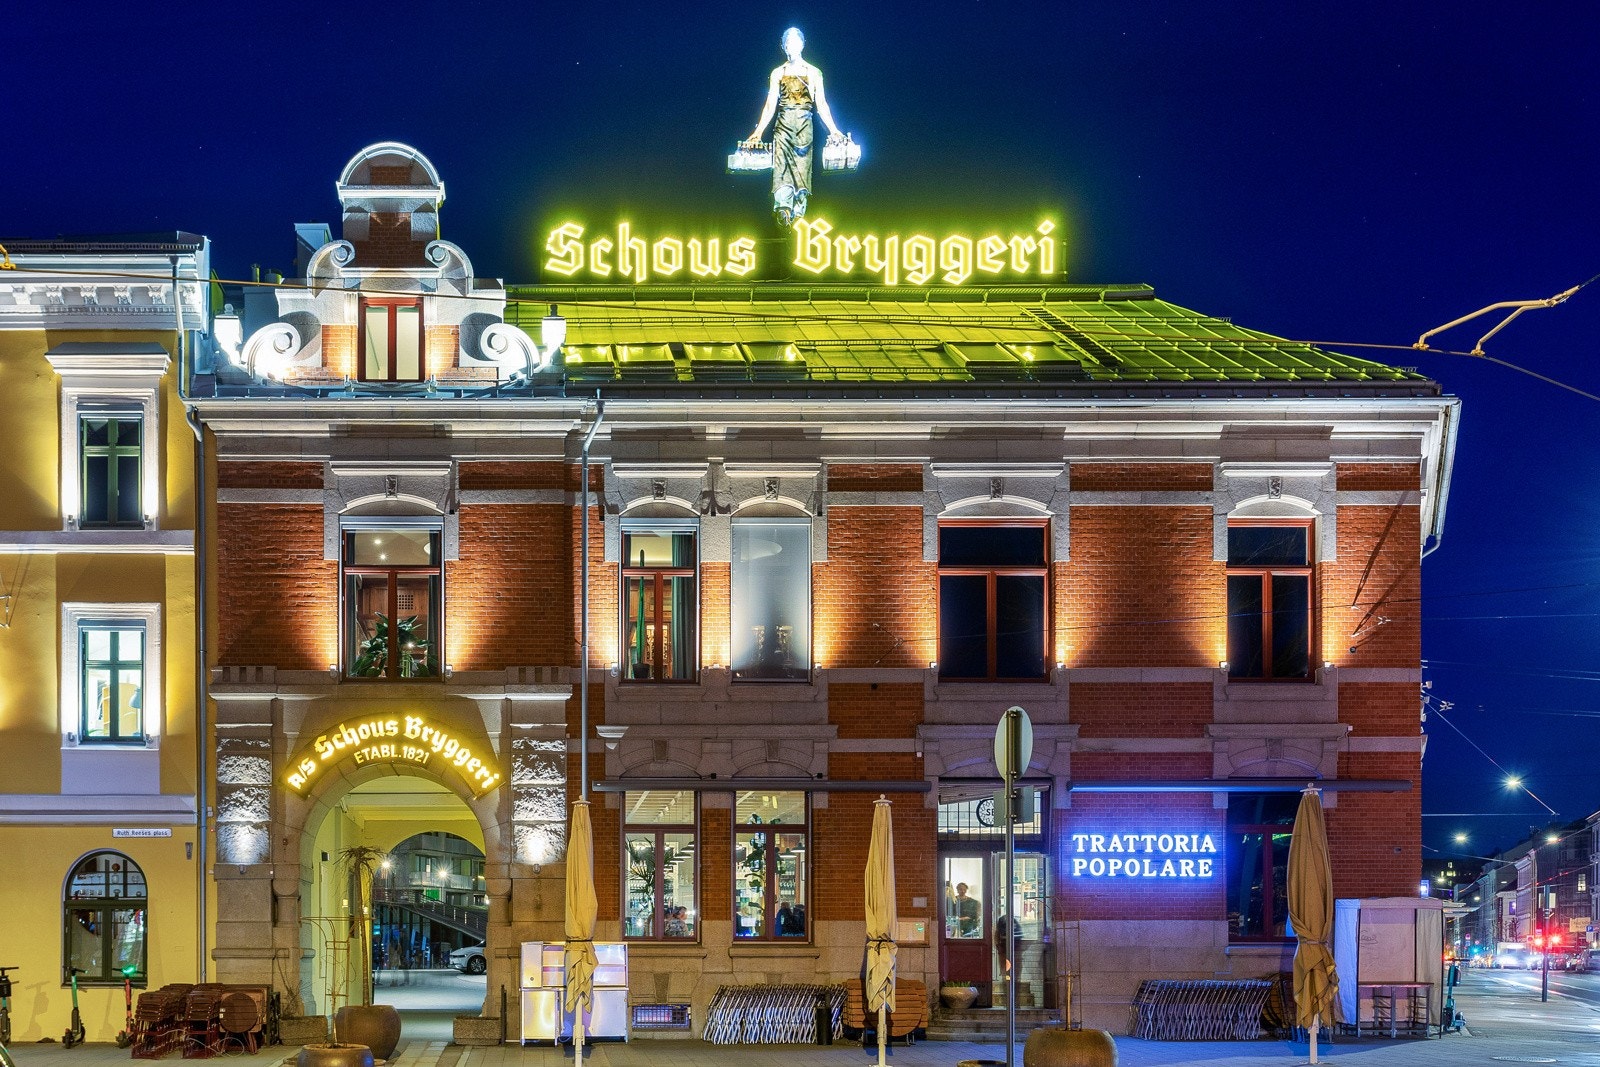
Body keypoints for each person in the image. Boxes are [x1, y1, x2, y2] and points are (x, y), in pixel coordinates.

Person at [745, 27, 845, 227]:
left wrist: (834, 130)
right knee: (782, 169)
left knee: (801, 169)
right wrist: (757, 132)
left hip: (804, 126)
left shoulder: (814, 72)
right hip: (783, 125)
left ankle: (798, 214)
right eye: (788, 42)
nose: (792, 45)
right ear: (784, 47)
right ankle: (783, 209)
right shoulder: (777, 73)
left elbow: (822, 105)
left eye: (795, 41)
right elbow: (770, 104)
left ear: (802, 44)